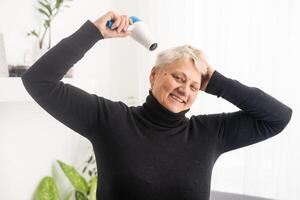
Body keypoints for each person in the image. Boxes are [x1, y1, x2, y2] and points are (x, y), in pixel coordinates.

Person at [21, 11, 292, 200]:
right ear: (154, 76)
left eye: (195, 86)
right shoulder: (110, 120)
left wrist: (217, 82)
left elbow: (278, 117)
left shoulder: (209, 133)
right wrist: (93, 32)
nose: (184, 90)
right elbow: (38, 80)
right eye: (178, 77)